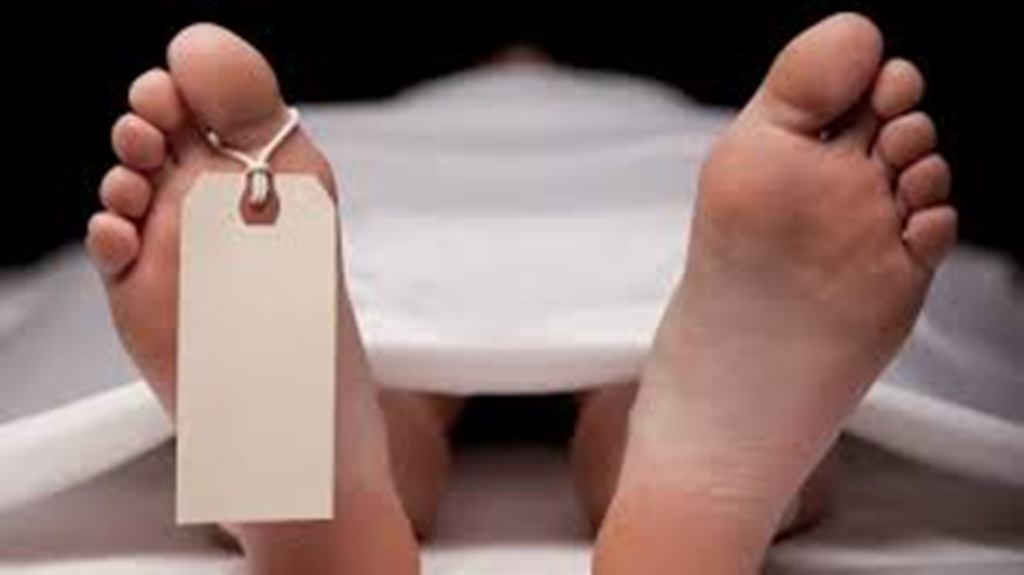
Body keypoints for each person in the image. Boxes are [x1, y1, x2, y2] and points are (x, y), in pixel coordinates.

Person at [84, 12, 955, 574]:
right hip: (646, 207)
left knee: (383, 368)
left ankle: (333, 482)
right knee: (651, 369)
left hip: (390, 218)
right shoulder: (645, 107)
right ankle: (688, 482)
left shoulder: (385, 119)